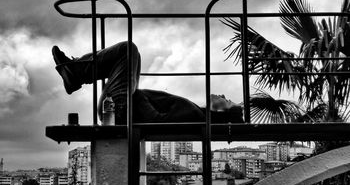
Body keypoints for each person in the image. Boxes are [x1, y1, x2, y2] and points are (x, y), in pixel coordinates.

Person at [52, 41, 243, 124]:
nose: (224, 96)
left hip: (120, 109)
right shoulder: (195, 112)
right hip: (122, 106)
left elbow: (155, 121)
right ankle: (75, 72)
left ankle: (75, 72)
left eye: (228, 101)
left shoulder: (193, 113)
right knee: (131, 53)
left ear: (221, 111)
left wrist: (138, 95)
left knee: (128, 50)